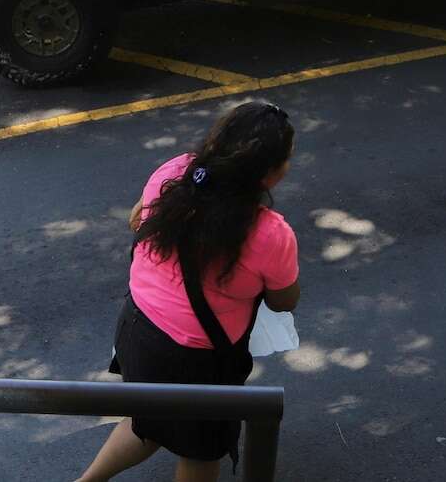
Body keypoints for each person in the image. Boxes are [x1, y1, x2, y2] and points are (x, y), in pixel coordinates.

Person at [78, 102, 300, 482]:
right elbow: (283, 301)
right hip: (198, 363)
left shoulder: (176, 171)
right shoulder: (270, 233)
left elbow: (138, 217)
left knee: (145, 421)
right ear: (269, 175)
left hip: (137, 330)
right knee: (199, 453)